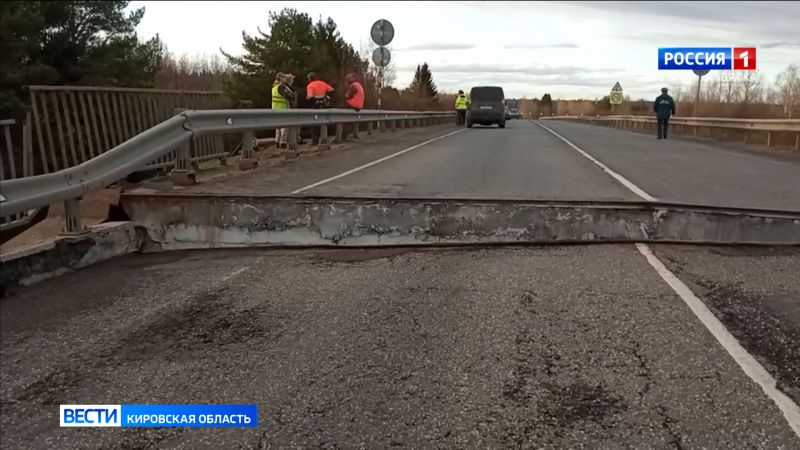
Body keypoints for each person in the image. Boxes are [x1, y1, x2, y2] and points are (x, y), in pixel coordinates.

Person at [306, 72, 335, 144]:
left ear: (309, 79)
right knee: (324, 121)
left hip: (315, 105)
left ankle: (315, 141)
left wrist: (308, 98)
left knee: (314, 123)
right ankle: (324, 138)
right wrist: (327, 97)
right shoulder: (322, 83)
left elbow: (310, 96)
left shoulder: (310, 85)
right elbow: (332, 90)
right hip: (324, 104)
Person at [272, 73, 297, 148]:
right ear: (281, 78)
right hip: (283, 108)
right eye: (284, 78)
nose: (286, 79)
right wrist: (293, 94)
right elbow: (290, 95)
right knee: (284, 128)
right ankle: (283, 143)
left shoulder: (274, 87)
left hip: (275, 108)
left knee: (278, 128)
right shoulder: (282, 87)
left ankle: (277, 142)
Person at [343, 73, 365, 140]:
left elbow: (347, 95)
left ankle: (341, 136)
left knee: (342, 113)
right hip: (359, 106)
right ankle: (344, 135)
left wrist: (346, 95)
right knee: (348, 122)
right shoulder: (359, 85)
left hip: (353, 105)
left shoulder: (354, 86)